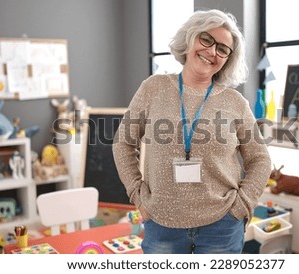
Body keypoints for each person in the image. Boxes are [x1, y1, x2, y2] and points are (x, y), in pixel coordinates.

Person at [112, 9, 271, 254]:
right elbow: (123, 142)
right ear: (190, 37)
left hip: (222, 226)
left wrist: (241, 206)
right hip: (162, 223)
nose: (212, 52)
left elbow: (260, 159)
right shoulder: (153, 88)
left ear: (227, 59)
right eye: (206, 39)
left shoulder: (235, 102)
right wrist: (138, 195)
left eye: (222, 49)